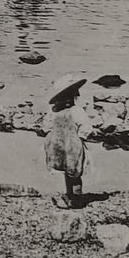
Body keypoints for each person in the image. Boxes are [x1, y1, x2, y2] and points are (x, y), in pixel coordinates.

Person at [43, 74, 91, 207]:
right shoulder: (60, 111)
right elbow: (47, 126)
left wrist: (80, 138)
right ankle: (71, 195)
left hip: (70, 145)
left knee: (74, 172)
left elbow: (85, 127)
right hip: (63, 145)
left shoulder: (72, 111)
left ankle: (76, 198)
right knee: (69, 171)